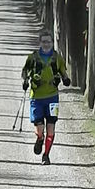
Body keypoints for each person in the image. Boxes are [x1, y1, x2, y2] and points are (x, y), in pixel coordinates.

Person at [21, 29, 70, 165]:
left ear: (52, 42)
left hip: (52, 97)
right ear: (40, 42)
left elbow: (63, 72)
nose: (46, 44)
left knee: (51, 126)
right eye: (44, 41)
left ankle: (46, 155)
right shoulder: (33, 58)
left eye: (48, 41)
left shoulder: (57, 58)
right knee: (39, 128)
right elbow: (25, 71)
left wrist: (66, 79)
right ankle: (39, 139)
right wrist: (25, 81)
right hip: (36, 97)